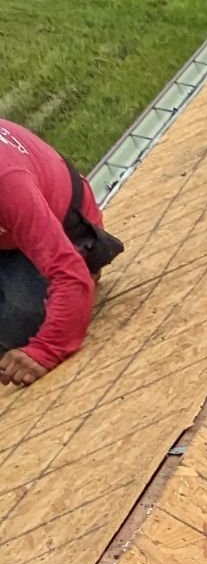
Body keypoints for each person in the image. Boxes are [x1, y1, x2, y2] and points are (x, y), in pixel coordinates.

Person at [0, 119, 122, 389]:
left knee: (25, 324)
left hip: (63, 227)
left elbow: (69, 273)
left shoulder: (6, 181)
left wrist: (45, 350)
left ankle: (89, 259)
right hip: (8, 232)